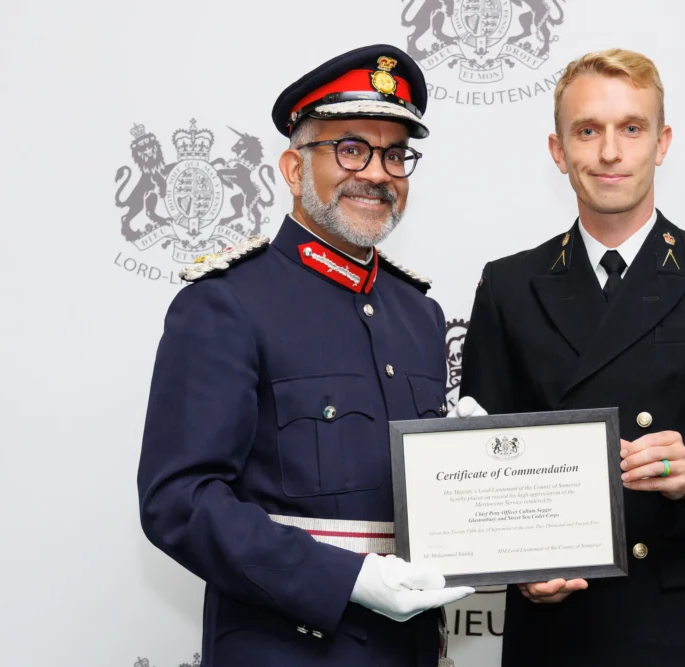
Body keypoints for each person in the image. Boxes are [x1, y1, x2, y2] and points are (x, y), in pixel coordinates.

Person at [458, 48, 685, 666]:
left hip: (678, 622)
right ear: (558, 150)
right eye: (587, 130)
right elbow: (479, 463)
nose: (609, 152)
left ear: (662, 142)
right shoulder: (508, 287)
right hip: (555, 628)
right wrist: (519, 567)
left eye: (631, 128)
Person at [136, 44, 475, 667]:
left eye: (396, 153)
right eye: (351, 148)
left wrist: (475, 473)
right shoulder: (228, 303)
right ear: (294, 168)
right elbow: (178, 500)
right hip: (288, 646)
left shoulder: (419, 314)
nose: (377, 172)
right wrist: (345, 579)